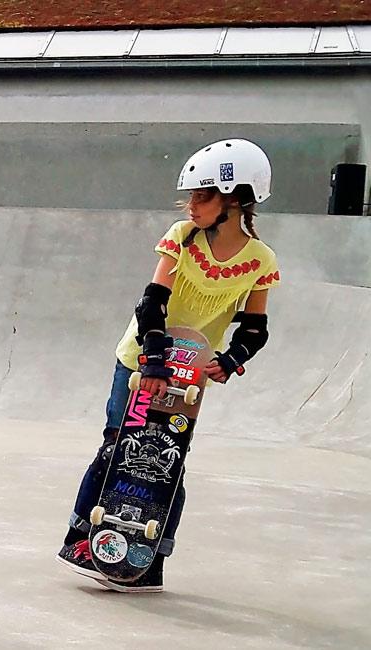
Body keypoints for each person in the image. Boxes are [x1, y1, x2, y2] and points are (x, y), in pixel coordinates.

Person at [56, 139, 282, 592]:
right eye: (191, 196)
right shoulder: (181, 237)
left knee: (168, 460)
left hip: (189, 376)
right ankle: (83, 539)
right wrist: (154, 360)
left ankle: (150, 560)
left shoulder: (260, 261)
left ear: (235, 198)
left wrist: (229, 361)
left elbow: (255, 329)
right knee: (117, 446)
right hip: (140, 360)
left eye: (203, 196)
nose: (192, 205)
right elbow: (152, 304)